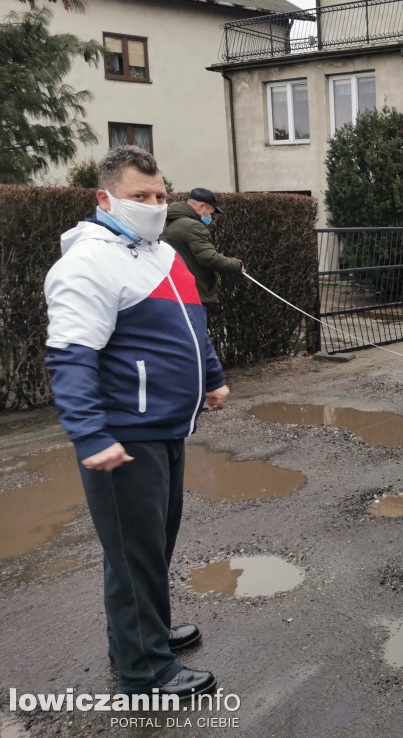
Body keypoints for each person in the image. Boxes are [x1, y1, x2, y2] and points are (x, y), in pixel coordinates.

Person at [44, 145, 227, 696]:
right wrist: (90, 434)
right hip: (125, 434)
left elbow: (194, 328)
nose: (151, 205)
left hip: (167, 427)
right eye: (137, 196)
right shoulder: (88, 261)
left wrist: (212, 377)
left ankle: (147, 633)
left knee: (152, 545)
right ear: (105, 198)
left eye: (159, 195)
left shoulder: (160, 254)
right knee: (132, 554)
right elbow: (70, 355)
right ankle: (143, 671)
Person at [163, 187, 243, 305]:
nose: (210, 217)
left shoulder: (169, 221)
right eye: (210, 213)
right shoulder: (192, 226)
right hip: (192, 294)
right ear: (201, 206)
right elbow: (209, 257)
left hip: (172, 291)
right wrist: (237, 264)